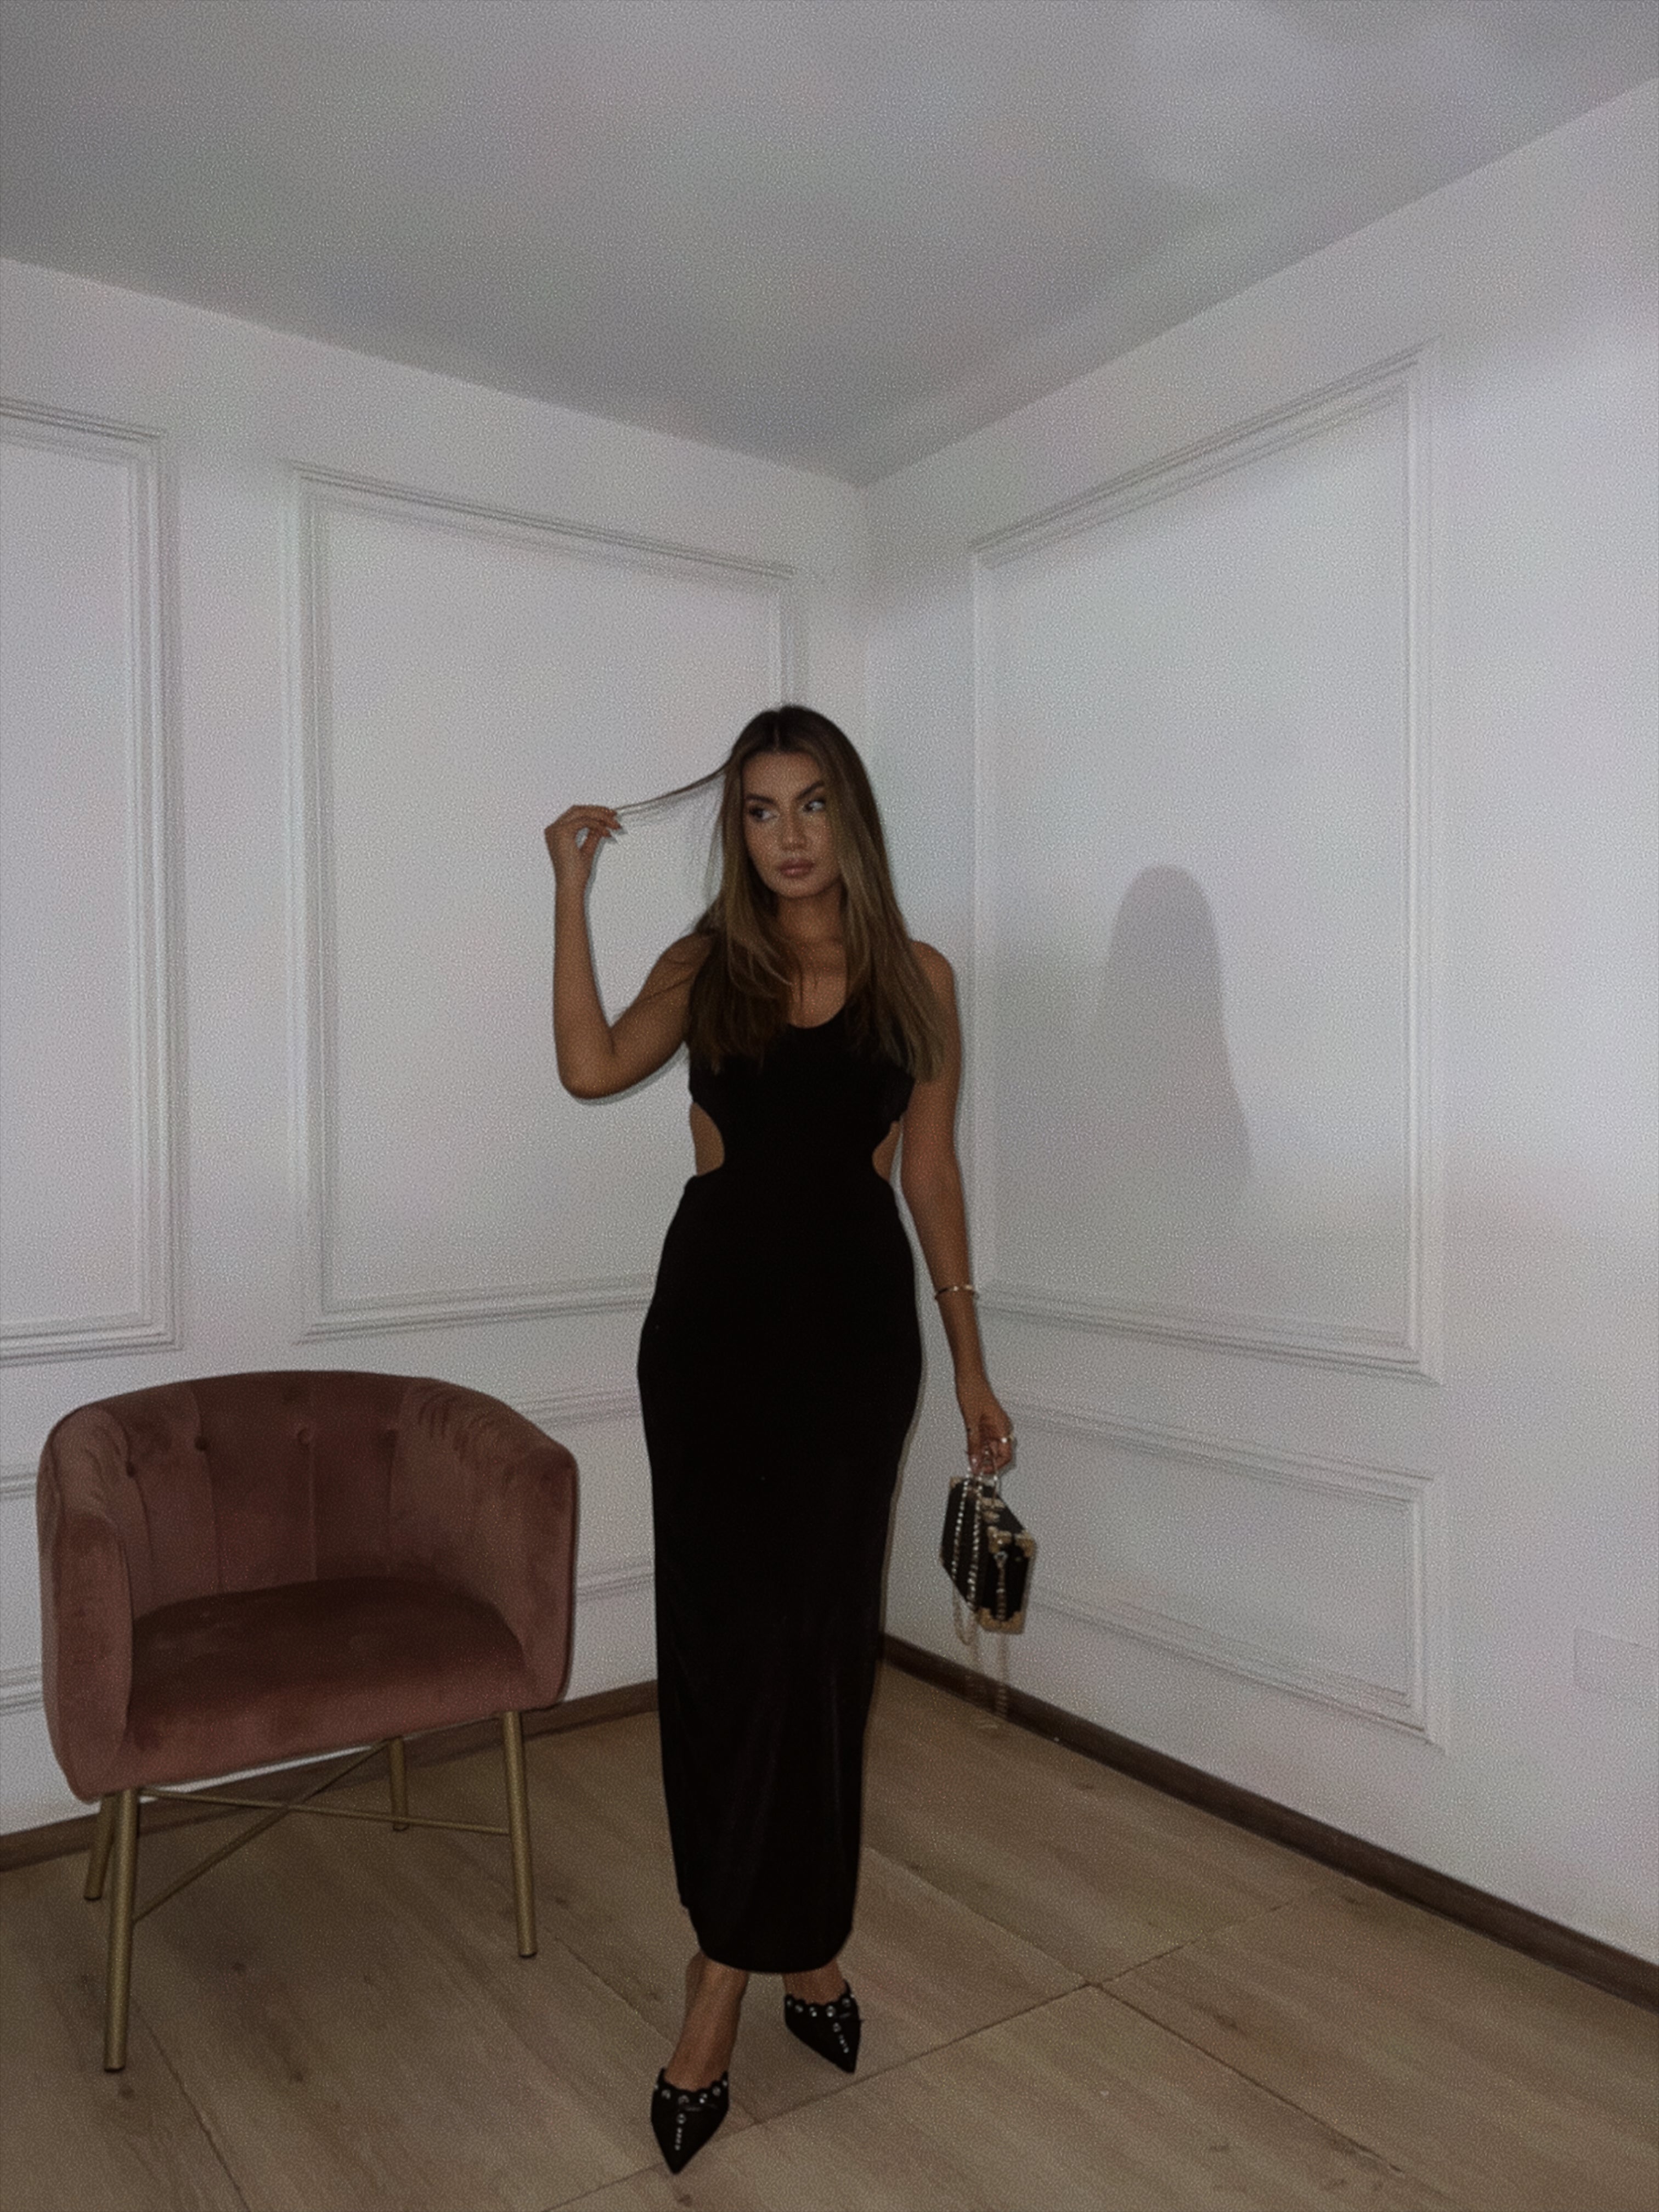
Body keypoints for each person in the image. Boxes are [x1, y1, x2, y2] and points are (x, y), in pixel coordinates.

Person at [544, 703, 1014, 2174]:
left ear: (849, 817)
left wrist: (973, 1365)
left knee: (821, 1657)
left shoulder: (918, 979)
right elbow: (588, 1068)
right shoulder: (707, 968)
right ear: (736, 830)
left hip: (853, 1352)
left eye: (812, 805)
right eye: (760, 810)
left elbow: (930, 1176)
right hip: (711, 1349)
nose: (789, 835)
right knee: (725, 1655)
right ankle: (751, 1961)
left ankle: (768, 1953)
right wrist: (570, 891)